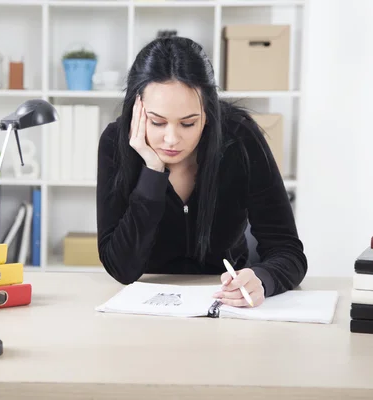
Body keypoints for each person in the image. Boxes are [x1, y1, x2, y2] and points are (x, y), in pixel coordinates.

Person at [95, 36, 307, 307]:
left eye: (188, 123)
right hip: (147, 308)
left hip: (227, 307)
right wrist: (152, 172)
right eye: (157, 122)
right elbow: (121, 268)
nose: (171, 139)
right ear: (137, 109)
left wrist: (262, 279)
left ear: (207, 112)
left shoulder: (240, 137)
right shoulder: (116, 143)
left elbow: (288, 251)